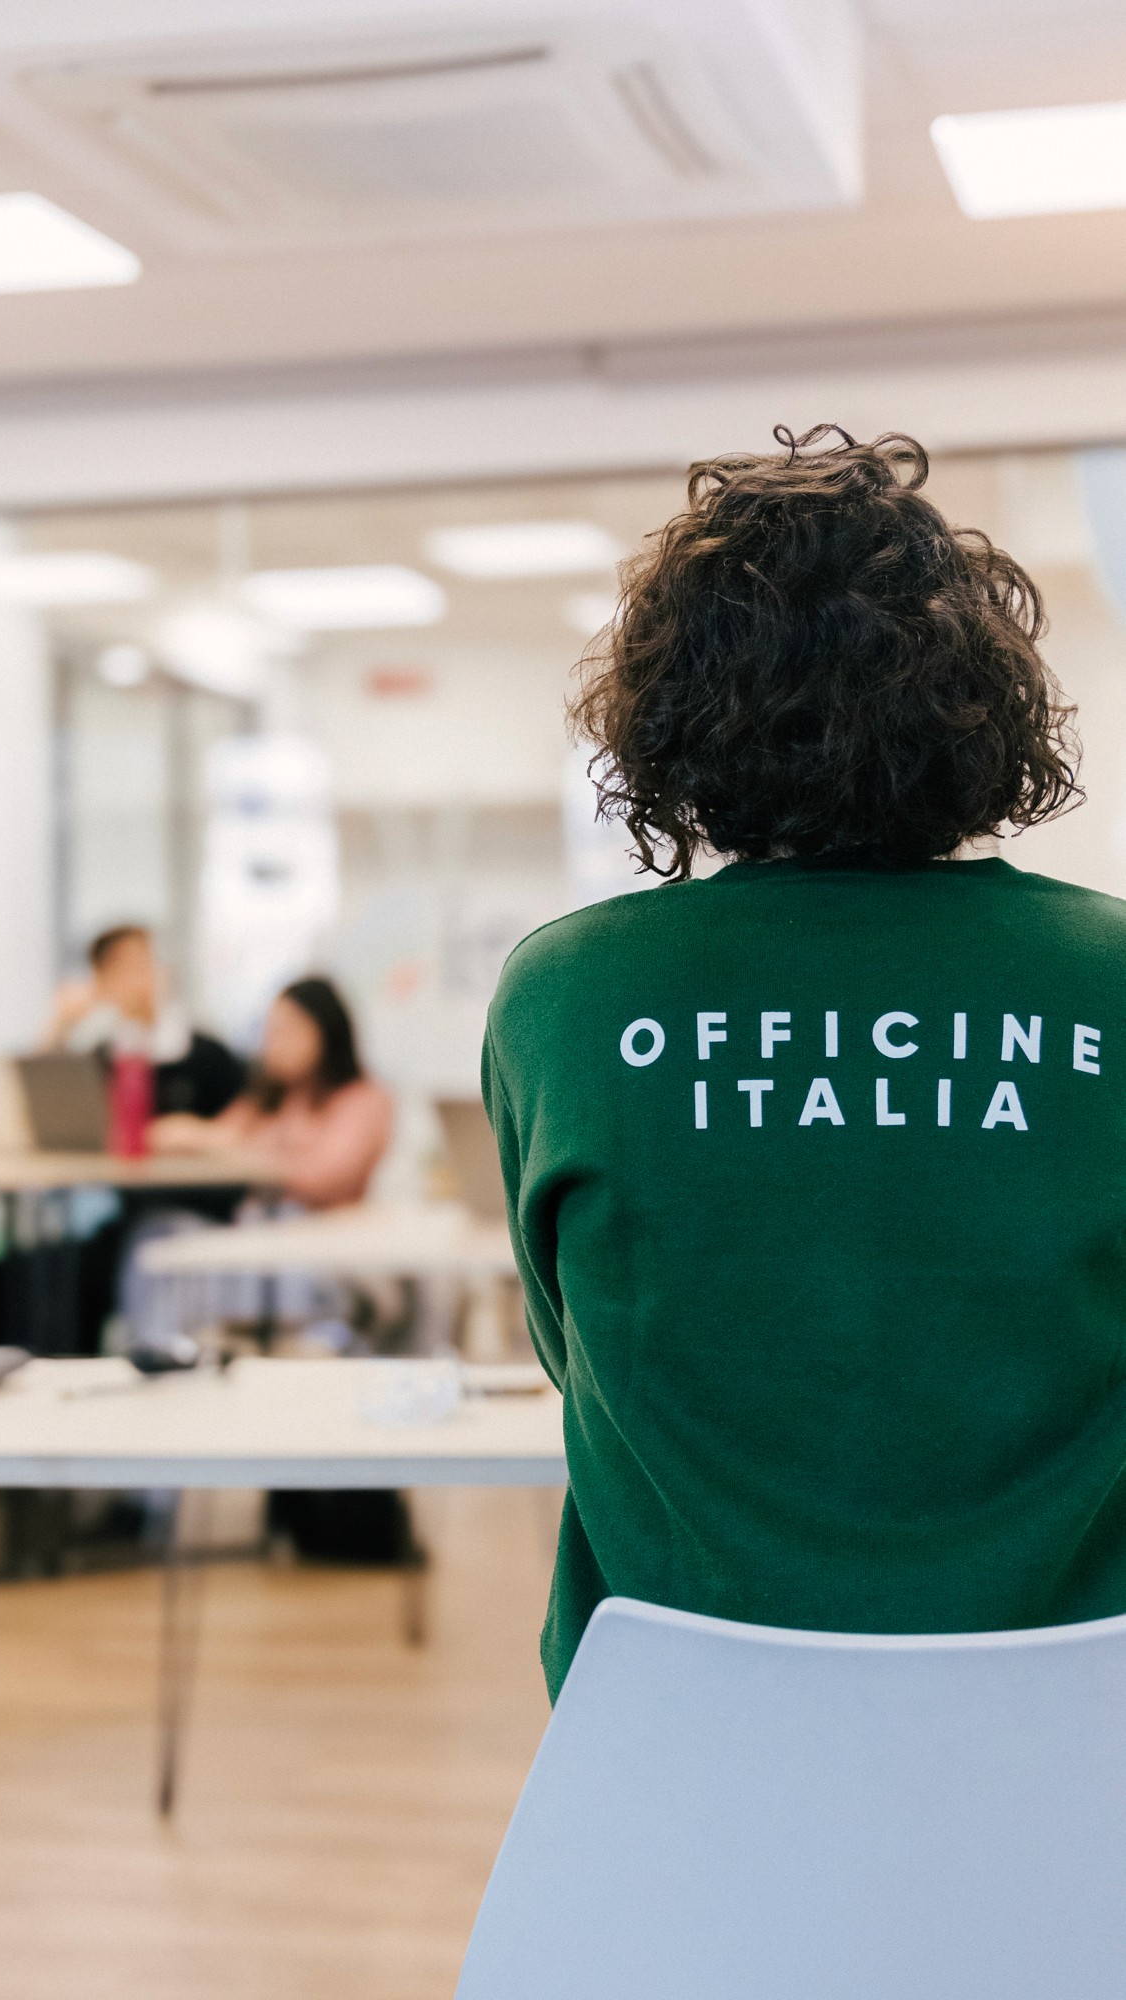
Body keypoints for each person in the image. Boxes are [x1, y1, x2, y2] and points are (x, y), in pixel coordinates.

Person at [481, 423, 1126, 1704]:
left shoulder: (565, 995)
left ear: (668, 719)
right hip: (1071, 1726)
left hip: (666, 1726)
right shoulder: (1105, 979)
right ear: (982, 703)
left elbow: (573, 1349)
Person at [151, 976, 392, 1209]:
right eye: (270, 1031)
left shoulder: (362, 1100)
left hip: (324, 1228)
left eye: (286, 1031)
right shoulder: (270, 1094)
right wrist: (191, 1135)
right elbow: (222, 1134)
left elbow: (326, 1178)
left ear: (326, 1032)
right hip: (259, 1219)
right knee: (157, 1224)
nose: (273, 1044)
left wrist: (237, 1152)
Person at [46, 925, 246, 1119]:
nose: (140, 978)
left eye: (145, 962)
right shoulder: (102, 1057)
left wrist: (201, 1133)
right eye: (123, 968)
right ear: (103, 981)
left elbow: (247, 1120)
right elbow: (55, 1106)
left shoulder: (206, 1054)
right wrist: (62, 1023)